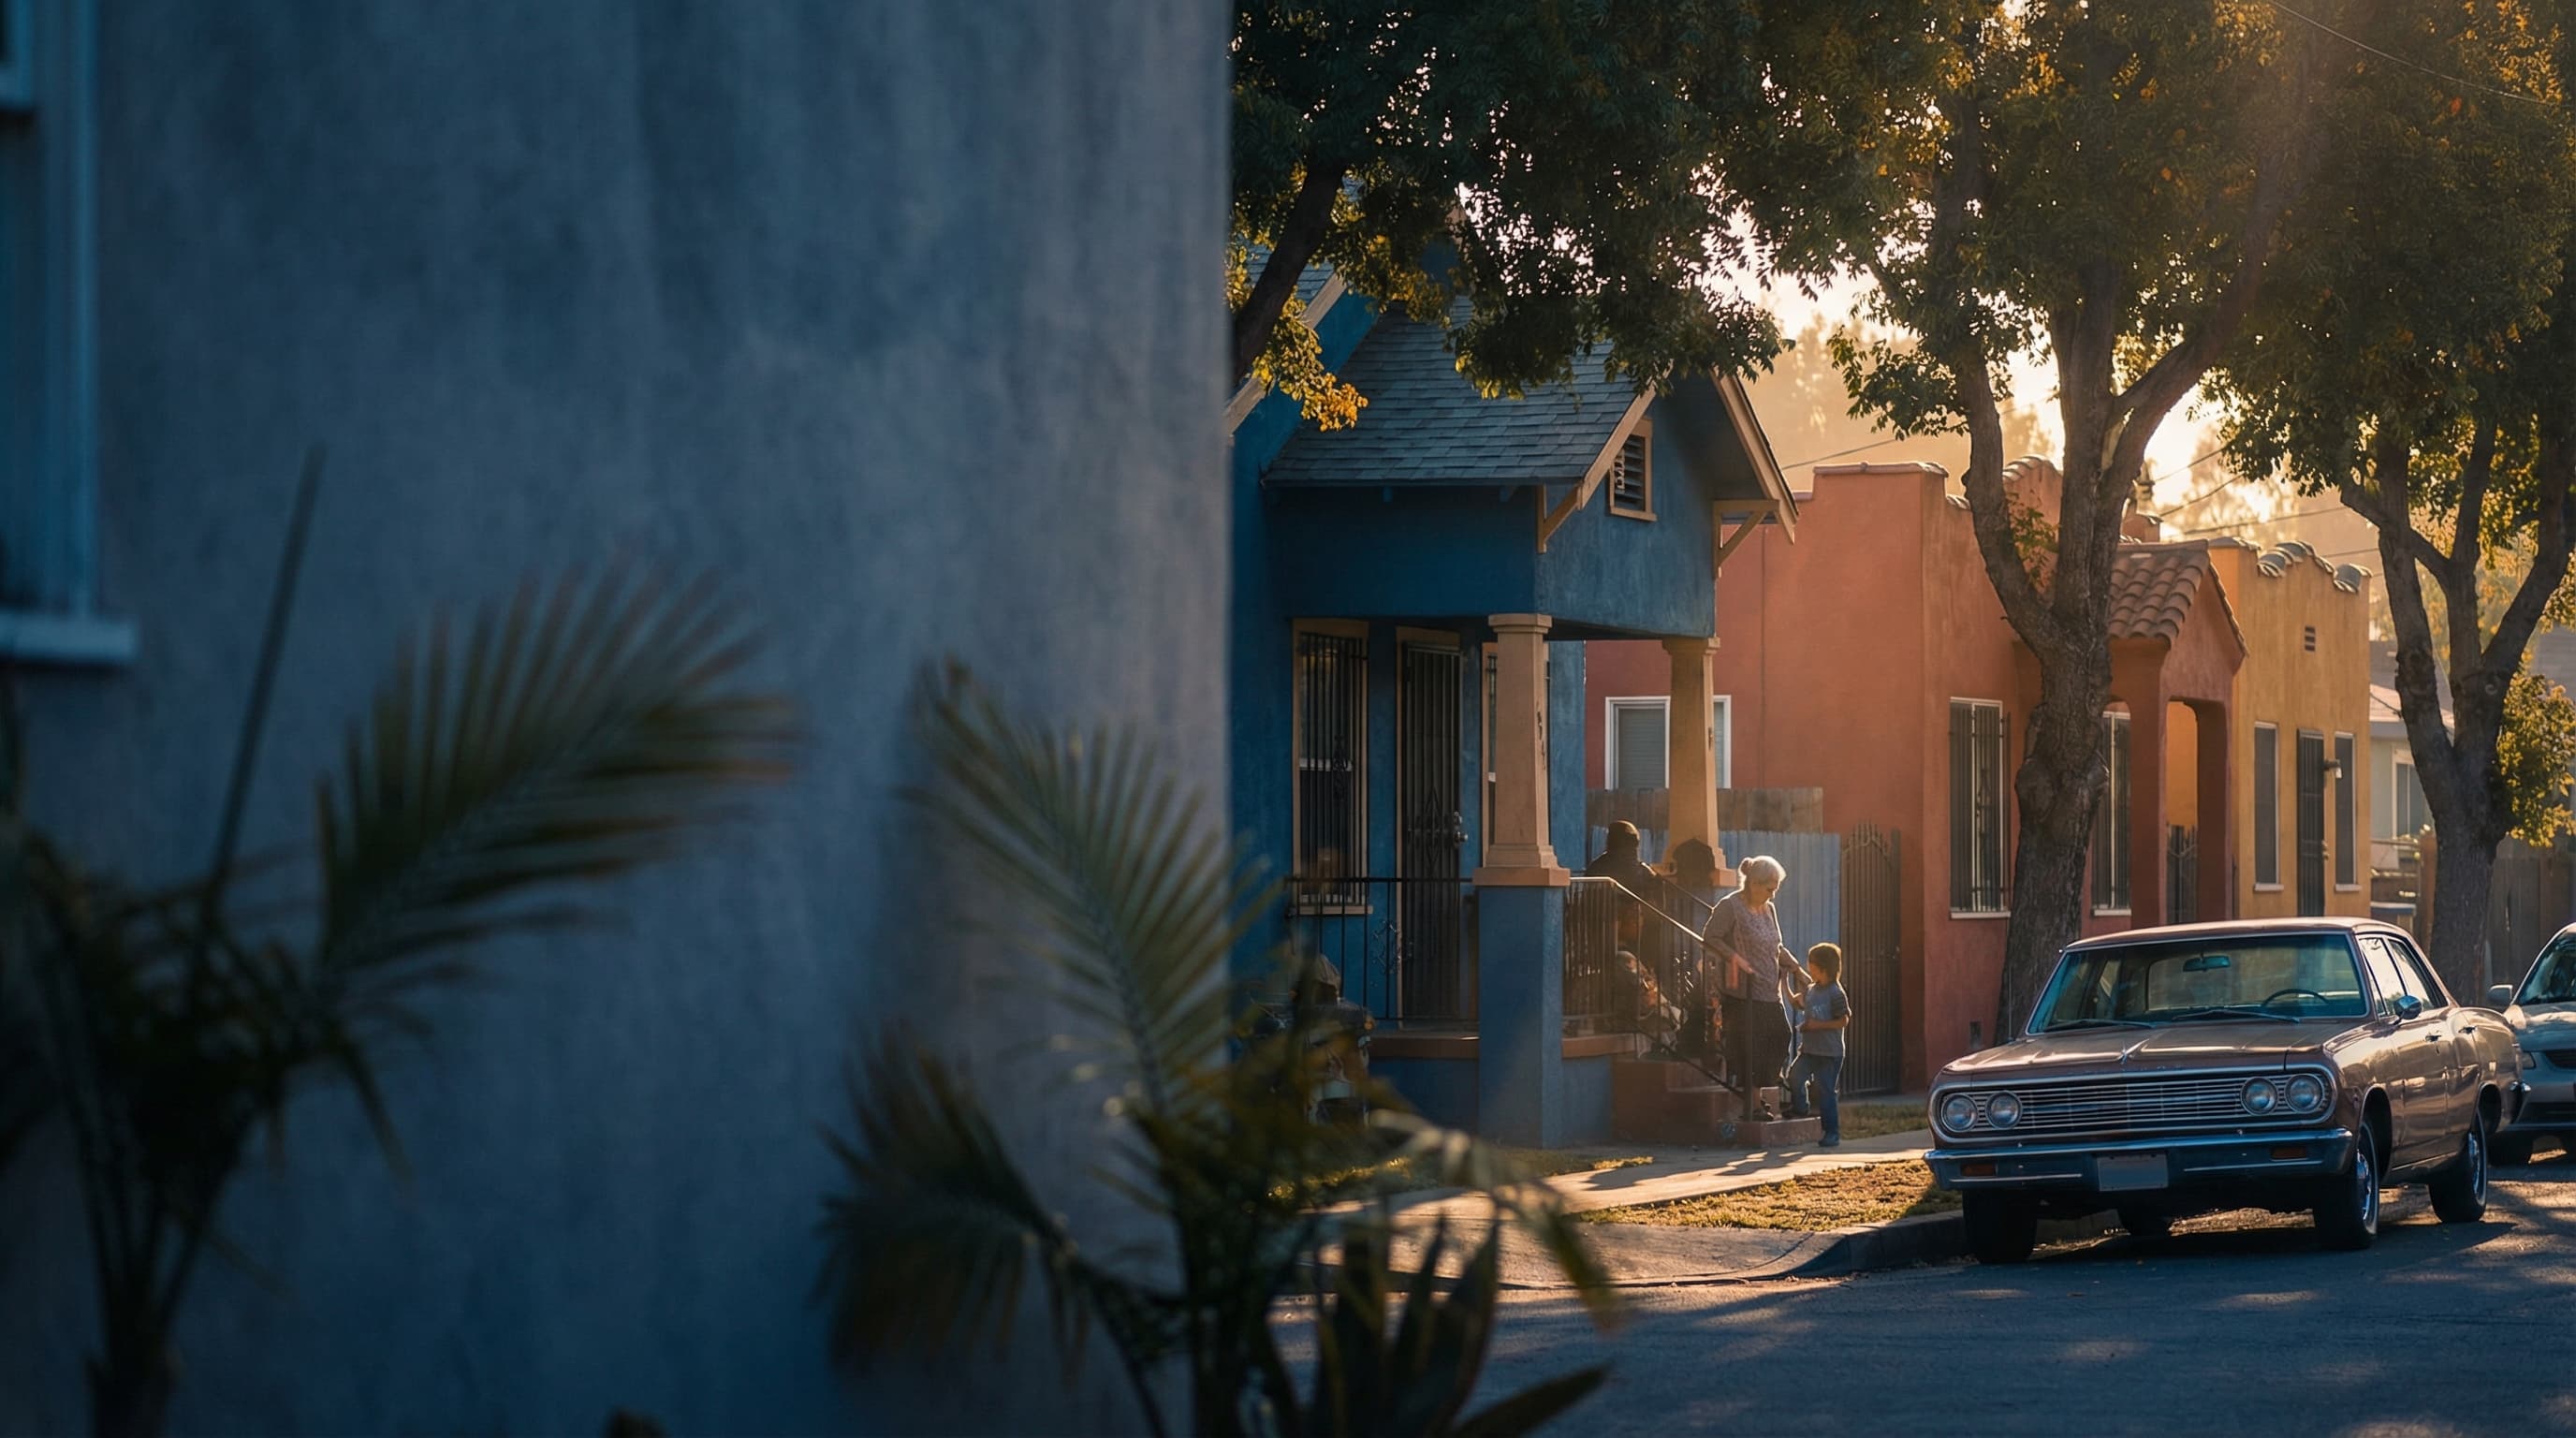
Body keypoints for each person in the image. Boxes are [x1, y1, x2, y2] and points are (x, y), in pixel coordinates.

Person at [1700, 855, 1798, 1118]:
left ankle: (1758, 1096)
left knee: (1780, 1037)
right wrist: (1735, 958)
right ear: (1754, 883)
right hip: (1743, 993)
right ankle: (1754, 1105)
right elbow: (1710, 937)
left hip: (1769, 989)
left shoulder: (1769, 909)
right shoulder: (1730, 906)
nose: (1773, 893)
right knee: (1752, 1048)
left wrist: (1796, 967)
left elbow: (1776, 947)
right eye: (1770, 887)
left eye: (1776, 887)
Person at [1785, 943, 1852, 1146]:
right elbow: (1797, 1003)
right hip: (1809, 1050)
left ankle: (1831, 1133)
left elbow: (1844, 1020)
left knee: (1826, 1091)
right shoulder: (1812, 990)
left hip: (1830, 1053)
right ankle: (1800, 1107)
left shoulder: (1836, 993)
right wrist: (1783, 982)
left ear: (1822, 967)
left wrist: (1817, 1025)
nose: (1808, 966)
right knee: (1794, 1076)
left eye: (1811, 963)